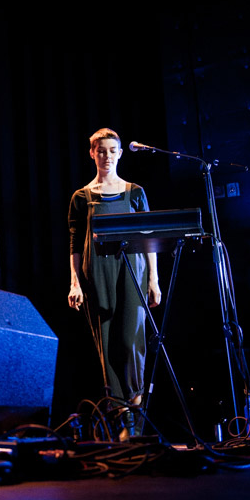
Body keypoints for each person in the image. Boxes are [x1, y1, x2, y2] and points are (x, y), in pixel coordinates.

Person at [67, 128, 160, 421]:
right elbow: (75, 243)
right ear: (92, 153)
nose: (107, 156)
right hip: (96, 271)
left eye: (112, 151)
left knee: (132, 341)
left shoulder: (135, 192)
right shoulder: (81, 197)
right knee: (106, 343)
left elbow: (148, 237)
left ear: (120, 154)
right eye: (101, 151)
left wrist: (154, 279)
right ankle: (122, 419)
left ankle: (136, 412)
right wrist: (74, 283)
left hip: (133, 269)